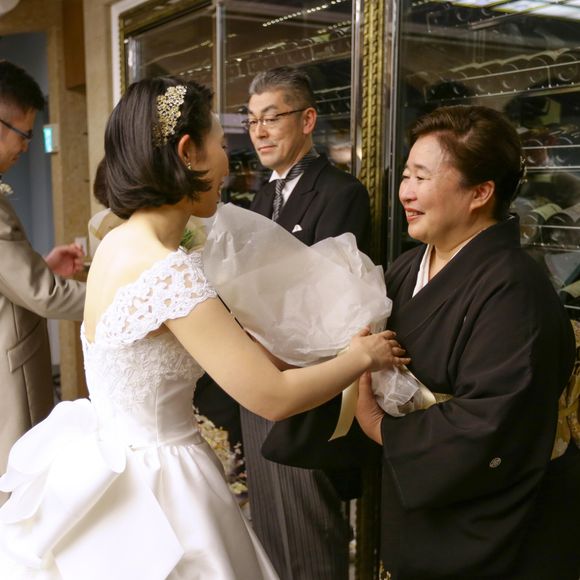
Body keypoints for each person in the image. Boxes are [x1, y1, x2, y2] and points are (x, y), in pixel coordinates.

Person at [0, 77, 408, 579]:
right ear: (188, 153)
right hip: (160, 483)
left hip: (109, 460)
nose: (228, 165)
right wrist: (364, 356)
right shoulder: (167, 271)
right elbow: (273, 397)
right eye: (220, 145)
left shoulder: (117, 242)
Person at [355, 104, 580, 579]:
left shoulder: (515, 289)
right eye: (406, 176)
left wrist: (380, 427)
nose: (405, 191)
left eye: (421, 177)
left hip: (492, 526)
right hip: (418, 498)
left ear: (480, 192)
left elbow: (492, 421)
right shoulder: (408, 267)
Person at [239, 66, 371, 580]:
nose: (260, 132)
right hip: (255, 377)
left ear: (308, 119)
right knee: (270, 524)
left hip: (306, 385)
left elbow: (328, 298)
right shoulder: (260, 196)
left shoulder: (340, 192)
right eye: (252, 120)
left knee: (308, 532)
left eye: (272, 117)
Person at [0, 60, 85, 487]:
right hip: (8, 370)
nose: (27, 146)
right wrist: (126, 296)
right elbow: (45, 296)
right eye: (25, 133)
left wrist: (43, 266)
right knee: (19, 486)